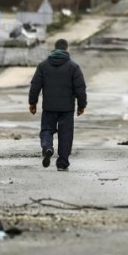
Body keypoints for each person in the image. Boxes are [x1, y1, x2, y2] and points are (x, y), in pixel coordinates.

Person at [29, 38, 87, 171]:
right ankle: (62, 163)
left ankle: (48, 147)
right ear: (66, 49)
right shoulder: (73, 67)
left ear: (54, 48)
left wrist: (33, 102)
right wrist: (81, 106)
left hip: (49, 107)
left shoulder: (43, 66)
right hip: (67, 108)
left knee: (46, 130)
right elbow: (80, 88)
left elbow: (35, 86)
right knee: (65, 134)